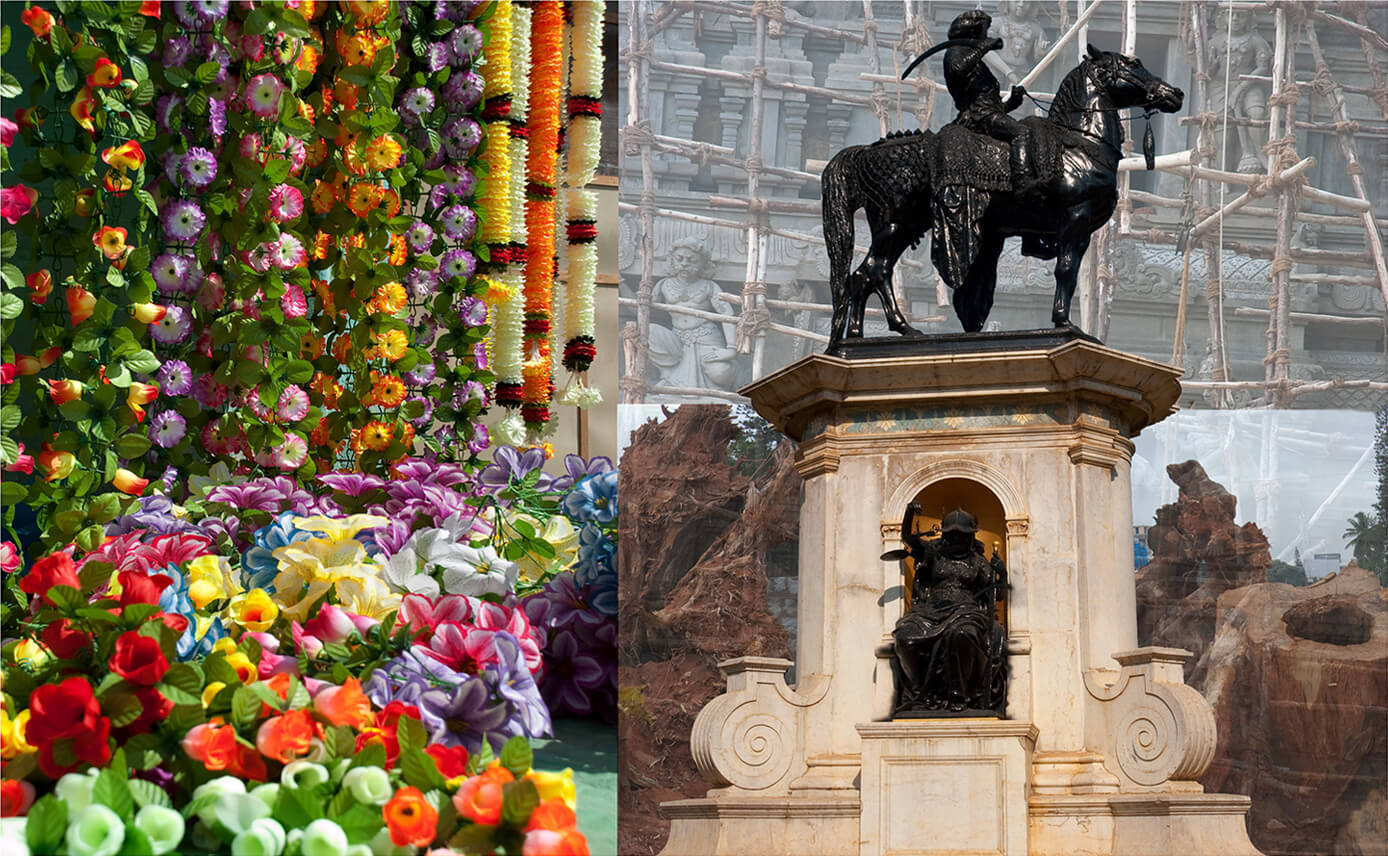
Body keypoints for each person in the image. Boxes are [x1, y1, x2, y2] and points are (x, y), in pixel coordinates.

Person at [891, 506, 1007, 713]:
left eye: (961, 535)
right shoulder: (933, 554)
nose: (956, 539)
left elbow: (996, 596)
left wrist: (1002, 575)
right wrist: (909, 512)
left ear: (970, 537)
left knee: (962, 634)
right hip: (929, 611)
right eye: (951, 535)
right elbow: (908, 538)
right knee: (905, 637)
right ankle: (921, 694)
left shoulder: (978, 563)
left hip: (966, 611)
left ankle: (958, 694)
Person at [941, 9, 1042, 198]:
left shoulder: (974, 59)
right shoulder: (956, 52)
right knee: (1023, 132)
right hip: (978, 118)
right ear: (974, 32)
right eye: (984, 32)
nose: (986, 36)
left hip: (988, 114)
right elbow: (957, 70)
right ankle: (1022, 182)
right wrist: (983, 48)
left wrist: (1013, 101)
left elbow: (990, 104)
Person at [647, 237, 737, 392]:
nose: (684, 264)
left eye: (691, 260)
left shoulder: (709, 286)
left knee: (721, 374)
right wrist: (621, 284)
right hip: (677, 341)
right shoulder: (663, 285)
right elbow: (641, 311)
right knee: (645, 330)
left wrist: (731, 349)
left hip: (706, 339)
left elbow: (727, 314)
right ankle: (669, 375)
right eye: (679, 259)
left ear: (702, 264)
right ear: (672, 260)